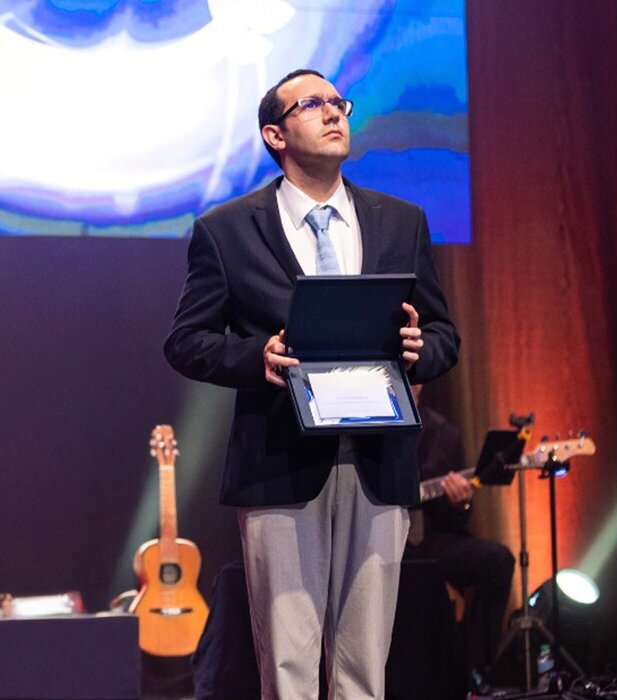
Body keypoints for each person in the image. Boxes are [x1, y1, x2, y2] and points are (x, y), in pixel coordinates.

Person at [164, 68, 460, 700]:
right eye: (311, 104)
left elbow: (443, 334)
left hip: (378, 464)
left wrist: (420, 350)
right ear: (275, 135)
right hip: (280, 467)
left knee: (364, 672)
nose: (333, 113)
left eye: (338, 102)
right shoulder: (227, 229)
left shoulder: (400, 221)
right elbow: (186, 341)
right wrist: (257, 357)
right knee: (289, 670)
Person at [404, 386, 515, 690]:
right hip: (379, 542)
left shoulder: (445, 433)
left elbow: (457, 520)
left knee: (497, 560)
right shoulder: (370, 427)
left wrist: (460, 502)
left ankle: (473, 668)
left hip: (428, 541)